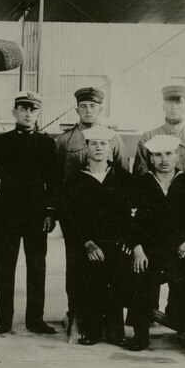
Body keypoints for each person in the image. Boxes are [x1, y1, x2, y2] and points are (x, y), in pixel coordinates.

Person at [133, 84, 185, 333]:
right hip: (155, 212)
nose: (175, 107)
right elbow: (142, 176)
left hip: (182, 211)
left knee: (184, 277)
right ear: (163, 105)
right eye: (170, 103)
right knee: (146, 275)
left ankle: (180, 319)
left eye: (180, 102)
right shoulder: (148, 137)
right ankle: (144, 320)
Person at [0, 91, 58, 335]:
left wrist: (50, 212)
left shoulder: (47, 143)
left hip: (36, 216)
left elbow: (54, 181)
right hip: (7, 214)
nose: (27, 113)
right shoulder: (1, 142)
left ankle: (35, 320)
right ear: (14, 112)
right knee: (4, 268)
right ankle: (4, 320)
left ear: (38, 113)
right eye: (22, 109)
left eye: (32, 110)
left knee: (37, 268)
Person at [55, 86, 128, 333]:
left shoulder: (113, 138)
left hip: (108, 219)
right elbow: (56, 179)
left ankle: (109, 322)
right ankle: (78, 315)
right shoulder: (64, 140)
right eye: (83, 106)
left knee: (110, 272)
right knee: (76, 271)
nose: (88, 110)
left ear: (100, 109)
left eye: (93, 106)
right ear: (77, 109)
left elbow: (121, 176)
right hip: (76, 215)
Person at [125, 133, 185, 351]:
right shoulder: (141, 184)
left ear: (177, 156)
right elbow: (132, 221)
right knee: (142, 283)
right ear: (150, 159)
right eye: (157, 155)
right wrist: (138, 249)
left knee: (183, 285)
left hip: (179, 249)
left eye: (168, 153)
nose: (164, 159)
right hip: (149, 250)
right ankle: (140, 335)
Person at [62, 125, 136, 346]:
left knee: (115, 282)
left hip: (115, 243)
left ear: (111, 148)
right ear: (86, 147)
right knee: (88, 283)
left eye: (103, 143)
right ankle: (91, 329)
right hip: (87, 245)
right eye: (93, 143)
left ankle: (114, 329)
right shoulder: (75, 180)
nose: (98, 148)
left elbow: (132, 215)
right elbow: (68, 218)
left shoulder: (123, 178)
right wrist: (87, 243)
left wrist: (126, 241)